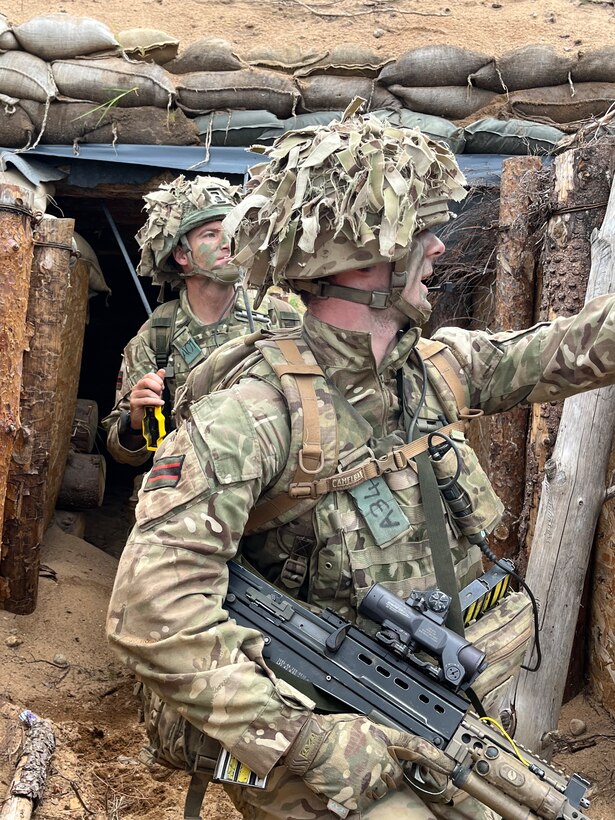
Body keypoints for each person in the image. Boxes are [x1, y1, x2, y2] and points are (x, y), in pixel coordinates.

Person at [107, 111, 615, 820]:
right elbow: (148, 608)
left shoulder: (428, 375)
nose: (439, 248)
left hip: (410, 686)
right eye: (421, 234)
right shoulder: (250, 417)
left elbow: (561, 350)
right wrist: (309, 740)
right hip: (304, 716)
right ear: (360, 257)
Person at [102, 174, 300, 467]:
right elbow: (125, 453)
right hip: (190, 479)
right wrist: (134, 421)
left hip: (268, 477)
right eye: (210, 234)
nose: (227, 244)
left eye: (231, 232)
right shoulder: (158, 334)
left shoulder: (279, 317)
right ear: (182, 254)